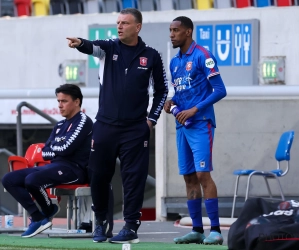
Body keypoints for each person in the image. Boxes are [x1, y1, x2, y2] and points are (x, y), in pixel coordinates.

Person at [66, 8, 168, 244]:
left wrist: (151, 120)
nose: (119, 26)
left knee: (134, 178)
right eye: (118, 22)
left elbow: (162, 91)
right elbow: (91, 45)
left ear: (137, 27)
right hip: (105, 126)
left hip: (135, 129)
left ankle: (131, 226)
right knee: (99, 174)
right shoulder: (109, 47)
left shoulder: (151, 56)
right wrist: (79, 42)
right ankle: (101, 222)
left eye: (124, 23)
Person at [2, 84, 99, 238]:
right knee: (9, 179)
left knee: (32, 180)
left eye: (64, 101)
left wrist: (54, 148)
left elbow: (65, 148)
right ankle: (38, 217)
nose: (60, 105)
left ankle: (48, 211)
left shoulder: (83, 121)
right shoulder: (60, 125)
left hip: (74, 170)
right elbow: (45, 151)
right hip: (55, 166)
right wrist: (55, 148)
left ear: (77, 102)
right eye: (58, 101)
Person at [164, 16, 227, 245]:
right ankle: (197, 230)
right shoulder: (174, 62)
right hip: (182, 124)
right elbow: (180, 90)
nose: (171, 34)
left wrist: (194, 110)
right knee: (189, 177)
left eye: (176, 30)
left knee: (203, 175)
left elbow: (220, 90)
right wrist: (170, 102)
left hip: (200, 122)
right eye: (170, 30)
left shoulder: (204, 55)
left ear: (188, 32)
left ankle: (216, 231)